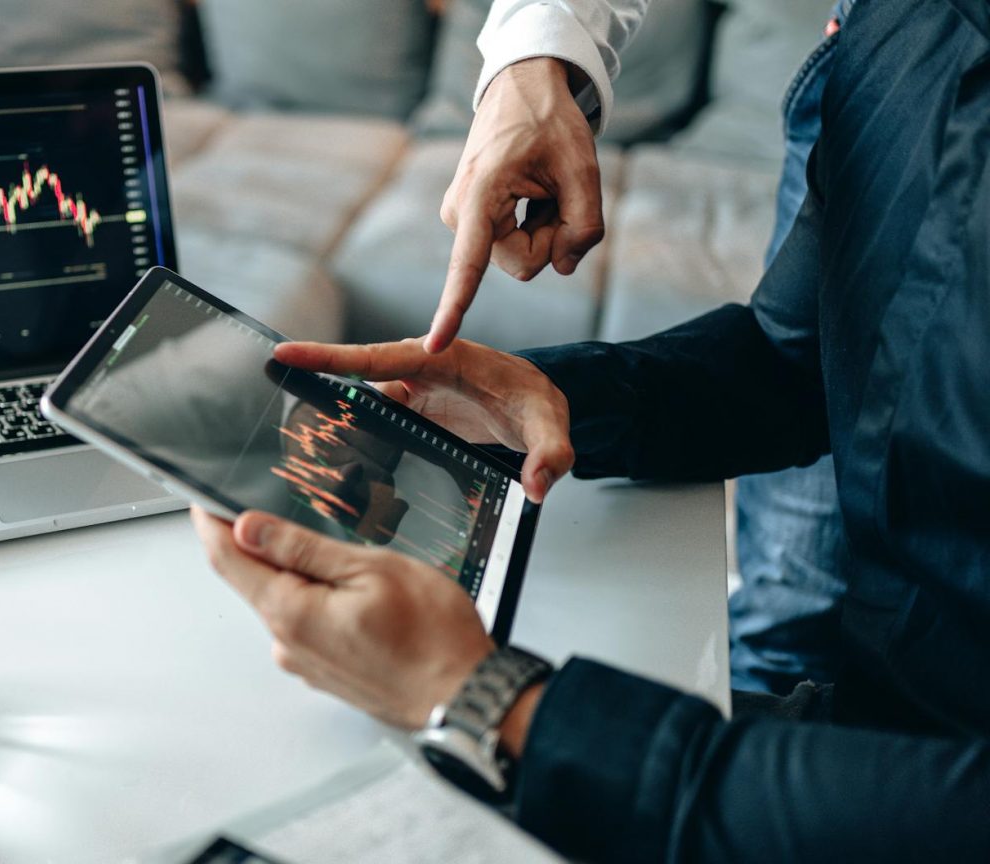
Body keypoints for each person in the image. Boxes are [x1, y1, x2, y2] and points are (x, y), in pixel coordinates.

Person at [192, 0, 990, 859]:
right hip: (839, 734)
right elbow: (793, 361)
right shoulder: (911, 31)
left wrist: (492, 701)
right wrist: (553, 394)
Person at [433, 0, 853, 695]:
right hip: (869, 63)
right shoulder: (901, 55)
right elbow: (796, 364)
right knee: (788, 610)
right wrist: (549, 394)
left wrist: (509, 716)